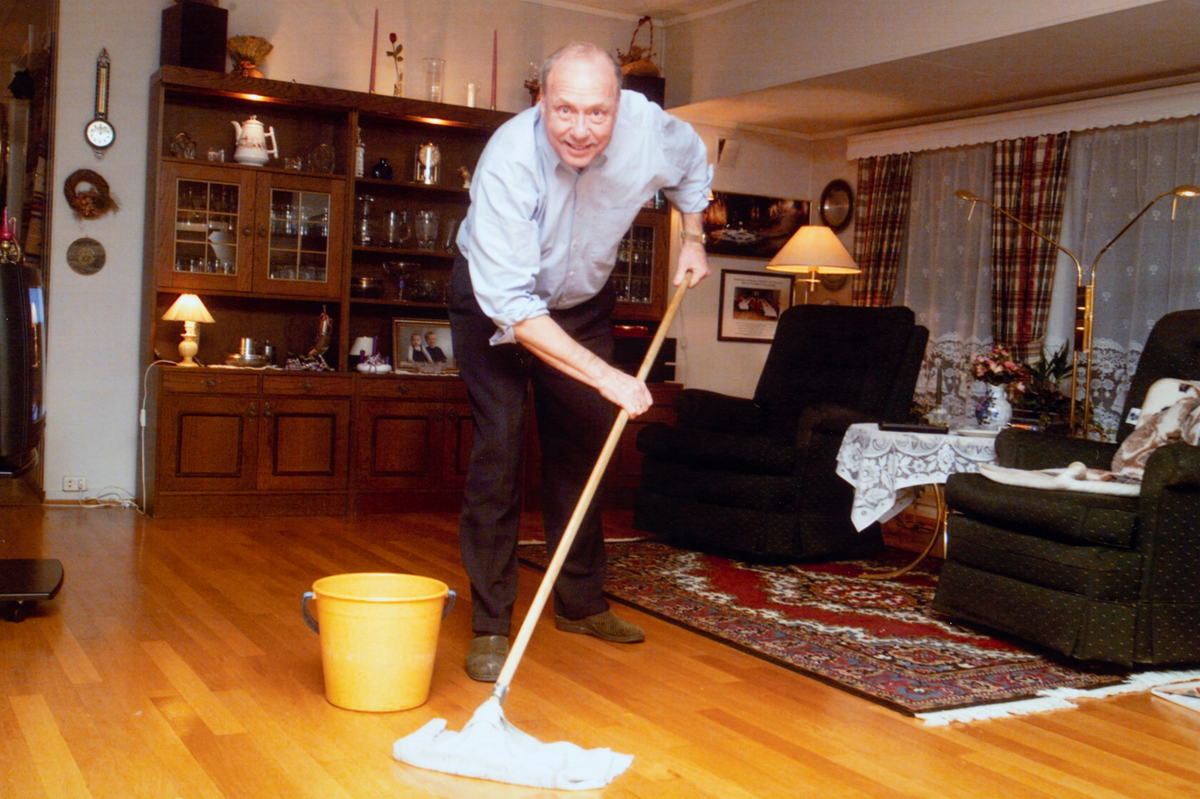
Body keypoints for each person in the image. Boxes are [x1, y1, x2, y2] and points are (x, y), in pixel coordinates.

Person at [449, 41, 711, 682]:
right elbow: (513, 306)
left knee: (584, 446)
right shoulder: (509, 159)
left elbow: (694, 167)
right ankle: (490, 626)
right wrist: (609, 376)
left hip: (583, 302)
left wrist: (696, 237)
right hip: (496, 305)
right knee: (501, 449)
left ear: (620, 107)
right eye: (564, 109)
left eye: (598, 112)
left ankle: (582, 604)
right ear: (541, 100)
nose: (580, 129)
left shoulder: (650, 131)